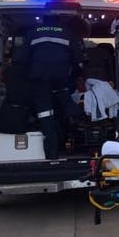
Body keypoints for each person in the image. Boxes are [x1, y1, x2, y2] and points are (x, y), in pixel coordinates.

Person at [23, 14, 84, 158]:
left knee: (45, 114)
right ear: (59, 21)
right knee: (64, 103)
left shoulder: (32, 32)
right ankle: (79, 118)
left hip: (39, 79)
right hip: (61, 79)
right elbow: (79, 59)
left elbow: (22, 59)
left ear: (42, 20)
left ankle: (52, 153)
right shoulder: (68, 32)